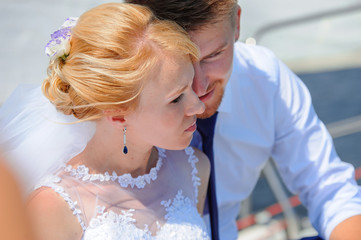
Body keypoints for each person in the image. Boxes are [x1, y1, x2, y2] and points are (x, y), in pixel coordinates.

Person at [125, 0, 361, 240]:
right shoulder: (109, 100)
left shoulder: (266, 80)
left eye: (214, 55)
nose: (199, 87)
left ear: (237, 23)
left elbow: (328, 188)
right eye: (179, 62)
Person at [0, 3, 212, 239]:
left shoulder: (194, 169)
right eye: (176, 99)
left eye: (191, 86)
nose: (199, 106)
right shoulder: (54, 207)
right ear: (118, 114)